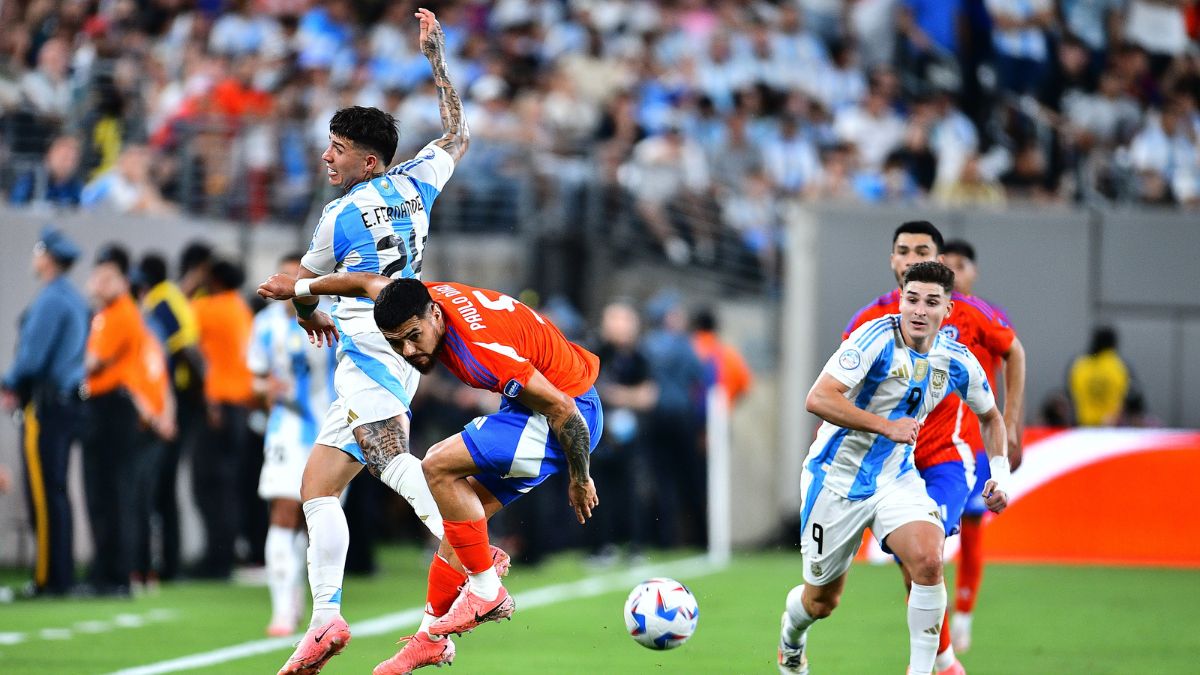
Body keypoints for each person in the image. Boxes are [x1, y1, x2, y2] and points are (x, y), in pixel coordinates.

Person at [258, 272, 602, 675]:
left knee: (436, 464)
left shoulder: (478, 349)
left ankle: (488, 590)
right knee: (461, 518)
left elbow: (563, 409)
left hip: (567, 414)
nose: (408, 350)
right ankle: (430, 640)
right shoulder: (421, 300)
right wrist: (299, 290)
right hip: (536, 410)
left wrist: (580, 477)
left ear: (435, 315)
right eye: (396, 342)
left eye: (413, 336)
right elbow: (369, 282)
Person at [276, 9, 471, 674]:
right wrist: (436, 57)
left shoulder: (337, 216)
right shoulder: (416, 181)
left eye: (336, 148)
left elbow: (305, 281)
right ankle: (325, 618)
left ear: (367, 159)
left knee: (390, 459)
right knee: (318, 485)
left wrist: (307, 310)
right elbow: (458, 132)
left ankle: (476, 561)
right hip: (406, 338)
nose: (326, 156)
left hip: (370, 346)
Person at [778, 261, 1011, 675]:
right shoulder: (875, 338)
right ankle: (791, 639)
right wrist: (887, 426)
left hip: (894, 478)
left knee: (928, 560)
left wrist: (1000, 473)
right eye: (912, 299)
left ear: (949, 311)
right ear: (901, 299)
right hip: (835, 481)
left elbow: (991, 416)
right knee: (822, 602)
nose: (919, 310)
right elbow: (818, 398)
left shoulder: (955, 359)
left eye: (931, 302)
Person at [841, 221, 1025, 674]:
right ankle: (944, 659)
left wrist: (1012, 427)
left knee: (928, 553)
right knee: (907, 565)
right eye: (903, 251)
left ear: (938, 262)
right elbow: (836, 388)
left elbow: (1013, 351)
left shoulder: (968, 315)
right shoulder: (869, 321)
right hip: (888, 464)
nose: (910, 259)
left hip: (949, 456)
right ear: (892, 261)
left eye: (921, 250)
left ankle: (943, 647)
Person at [248, 253, 338, 636]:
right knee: (283, 510)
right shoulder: (264, 325)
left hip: (330, 428)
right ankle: (282, 610)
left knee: (313, 518)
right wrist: (264, 388)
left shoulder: (334, 314)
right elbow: (253, 380)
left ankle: (305, 595)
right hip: (286, 428)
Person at [0, 227, 89, 597]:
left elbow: (31, 358)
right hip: (67, 403)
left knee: (43, 490)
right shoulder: (74, 297)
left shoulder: (52, 299)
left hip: (47, 404)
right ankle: (60, 575)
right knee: (55, 489)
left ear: (47, 256)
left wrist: (8, 382)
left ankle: (48, 578)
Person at [941, 239, 1019, 653]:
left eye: (960, 265)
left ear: (973, 272)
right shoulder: (923, 312)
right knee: (927, 540)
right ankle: (933, 632)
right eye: (945, 264)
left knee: (971, 529)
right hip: (934, 445)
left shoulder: (985, 317)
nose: (952, 272)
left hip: (976, 442)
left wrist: (1011, 423)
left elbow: (1014, 356)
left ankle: (963, 615)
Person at [81, 244, 152, 597]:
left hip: (112, 408)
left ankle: (114, 575)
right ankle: (109, 572)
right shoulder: (111, 313)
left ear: (122, 281)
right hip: (111, 407)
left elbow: (92, 362)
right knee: (108, 493)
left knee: (110, 493)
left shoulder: (118, 313)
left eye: (106, 276)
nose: (97, 282)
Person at [136, 252, 202, 581]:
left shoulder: (162, 302)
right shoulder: (173, 297)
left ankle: (166, 564)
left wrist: (191, 395)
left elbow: (184, 349)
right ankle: (168, 563)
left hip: (173, 400)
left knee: (160, 483)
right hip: (178, 400)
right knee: (165, 485)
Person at [190, 258, 255, 579]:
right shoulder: (240, 308)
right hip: (241, 406)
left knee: (207, 486)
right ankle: (225, 555)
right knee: (229, 485)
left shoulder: (208, 308)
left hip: (217, 404)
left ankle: (215, 560)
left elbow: (186, 339)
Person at [1068, 326, 1130, 427]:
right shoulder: (1118, 366)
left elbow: (1071, 394)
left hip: (1084, 425)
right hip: (1110, 425)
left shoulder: (1079, 365)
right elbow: (1127, 396)